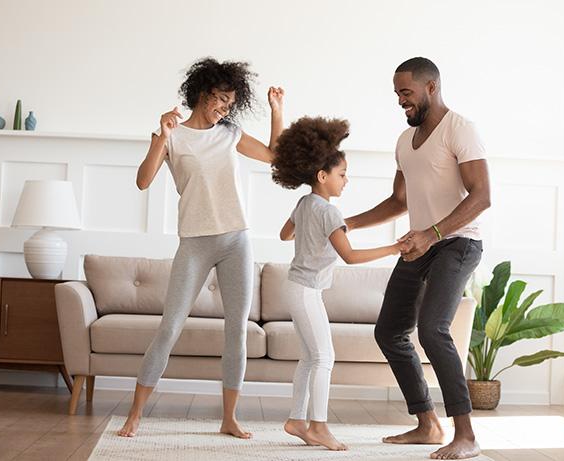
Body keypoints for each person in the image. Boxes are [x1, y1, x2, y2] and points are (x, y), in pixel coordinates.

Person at [117, 57, 284, 439]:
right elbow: (143, 181)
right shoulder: (172, 135)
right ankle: (135, 415)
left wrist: (277, 111)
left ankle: (229, 419)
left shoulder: (230, 133)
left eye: (229, 104)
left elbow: (275, 156)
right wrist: (161, 135)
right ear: (201, 93)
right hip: (194, 243)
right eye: (219, 100)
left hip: (235, 240)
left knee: (236, 330)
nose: (224, 109)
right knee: (169, 327)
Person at [345, 57, 491, 460]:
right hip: (420, 244)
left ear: (431, 87)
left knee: (433, 329)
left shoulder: (460, 129)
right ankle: (427, 424)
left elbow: (482, 196)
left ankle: (466, 435)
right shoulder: (403, 142)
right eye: (396, 94)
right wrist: (348, 224)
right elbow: (398, 201)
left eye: (405, 93)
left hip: (457, 243)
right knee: (389, 330)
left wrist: (433, 233)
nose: (400, 101)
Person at [271, 116, 402, 451]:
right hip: (306, 290)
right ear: (322, 176)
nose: (346, 181)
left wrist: (312, 231)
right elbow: (351, 257)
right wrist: (395, 247)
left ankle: (297, 420)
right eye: (342, 175)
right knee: (324, 357)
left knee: (309, 357)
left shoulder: (305, 203)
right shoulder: (330, 213)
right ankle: (318, 426)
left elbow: (285, 234)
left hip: (296, 287)